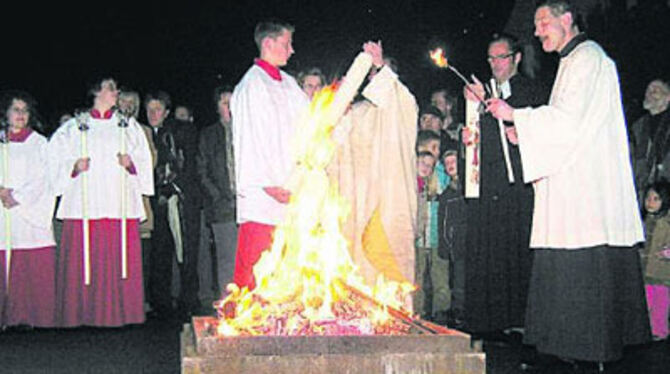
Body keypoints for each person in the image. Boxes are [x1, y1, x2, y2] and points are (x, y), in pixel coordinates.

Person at [487, 0, 650, 364]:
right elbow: (562, 123)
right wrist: (525, 133)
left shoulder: (590, 59)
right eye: (536, 25)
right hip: (572, 184)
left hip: (586, 189)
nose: (537, 31)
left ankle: (588, 350)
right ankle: (568, 349)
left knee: (583, 261)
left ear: (566, 19)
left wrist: (516, 116)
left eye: (543, 22)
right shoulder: (571, 62)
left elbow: (569, 122)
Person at [462, 33, 547, 337]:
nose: (496, 64)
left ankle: (522, 319)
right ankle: (492, 321)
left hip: (519, 189)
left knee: (519, 251)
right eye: (491, 58)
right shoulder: (483, 93)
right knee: (492, 253)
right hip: (490, 189)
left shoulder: (532, 91)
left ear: (517, 58)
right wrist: (471, 123)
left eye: (502, 57)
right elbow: (477, 140)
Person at [50, 78, 153, 327]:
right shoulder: (75, 127)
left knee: (120, 260)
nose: (116, 92)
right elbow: (53, 159)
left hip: (118, 203)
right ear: (96, 91)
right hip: (85, 205)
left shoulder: (128, 126)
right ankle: (80, 314)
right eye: (110, 87)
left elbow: (144, 159)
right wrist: (73, 167)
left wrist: (132, 164)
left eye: (116, 88)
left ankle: (123, 313)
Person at [230, 20, 309, 290]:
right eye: (286, 44)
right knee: (256, 265)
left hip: (291, 188)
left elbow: (311, 119)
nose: (292, 50)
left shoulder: (289, 85)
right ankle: (244, 328)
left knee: (286, 267)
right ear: (268, 43)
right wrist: (268, 183)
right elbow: (250, 138)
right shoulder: (251, 85)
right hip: (263, 193)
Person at [0, 91, 56, 328]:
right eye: (16, 110)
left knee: (31, 260)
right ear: (6, 114)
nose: (21, 115)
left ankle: (35, 317)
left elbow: (45, 178)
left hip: (29, 212)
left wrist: (17, 197)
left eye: (25, 110)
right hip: (3, 214)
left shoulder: (39, 143)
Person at [145, 91, 201, 319]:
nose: (153, 114)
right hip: (159, 202)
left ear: (167, 112)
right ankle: (162, 302)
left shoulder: (181, 129)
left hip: (180, 200)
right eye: (149, 109)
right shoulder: (147, 134)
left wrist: (173, 190)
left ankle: (189, 300)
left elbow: (185, 165)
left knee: (185, 251)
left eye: (158, 109)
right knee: (160, 253)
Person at [118, 89, 157, 313]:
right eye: (124, 101)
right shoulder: (106, 131)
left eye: (133, 102)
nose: (129, 106)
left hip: (137, 201)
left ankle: (140, 299)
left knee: (141, 254)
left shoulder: (143, 131)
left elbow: (150, 161)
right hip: (113, 202)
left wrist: (133, 163)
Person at [197, 85, 237, 300]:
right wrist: (219, 197)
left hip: (249, 206)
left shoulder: (250, 130)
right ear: (217, 107)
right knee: (226, 259)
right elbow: (202, 172)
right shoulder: (209, 135)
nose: (229, 108)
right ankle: (229, 305)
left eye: (233, 102)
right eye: (224, 103)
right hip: (221, 207)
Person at [437, 147, 467, 329]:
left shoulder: (470, 189)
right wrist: (445, 245)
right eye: (447, 163)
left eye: (453, 162)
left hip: (470, 244)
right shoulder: (446, 195)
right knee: (458, 283)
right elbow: (443, 223)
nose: (450, 166)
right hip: (456, 247)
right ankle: (459, 315)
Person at [640, 181, 670, 341]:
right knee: (647, 300)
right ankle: (647, 328)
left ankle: (660, 330)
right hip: (646, 269)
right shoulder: (645, 220)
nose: (650, 202)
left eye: (656, 199)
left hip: (661, 271)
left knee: (660, 303)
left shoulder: (667, 222)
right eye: (648, 198)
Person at [630, 79, 670, 199]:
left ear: (668, 97)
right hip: (641, 189)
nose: (650, 93)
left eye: (656, 90)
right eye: (648, 90)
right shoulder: (638, 126)